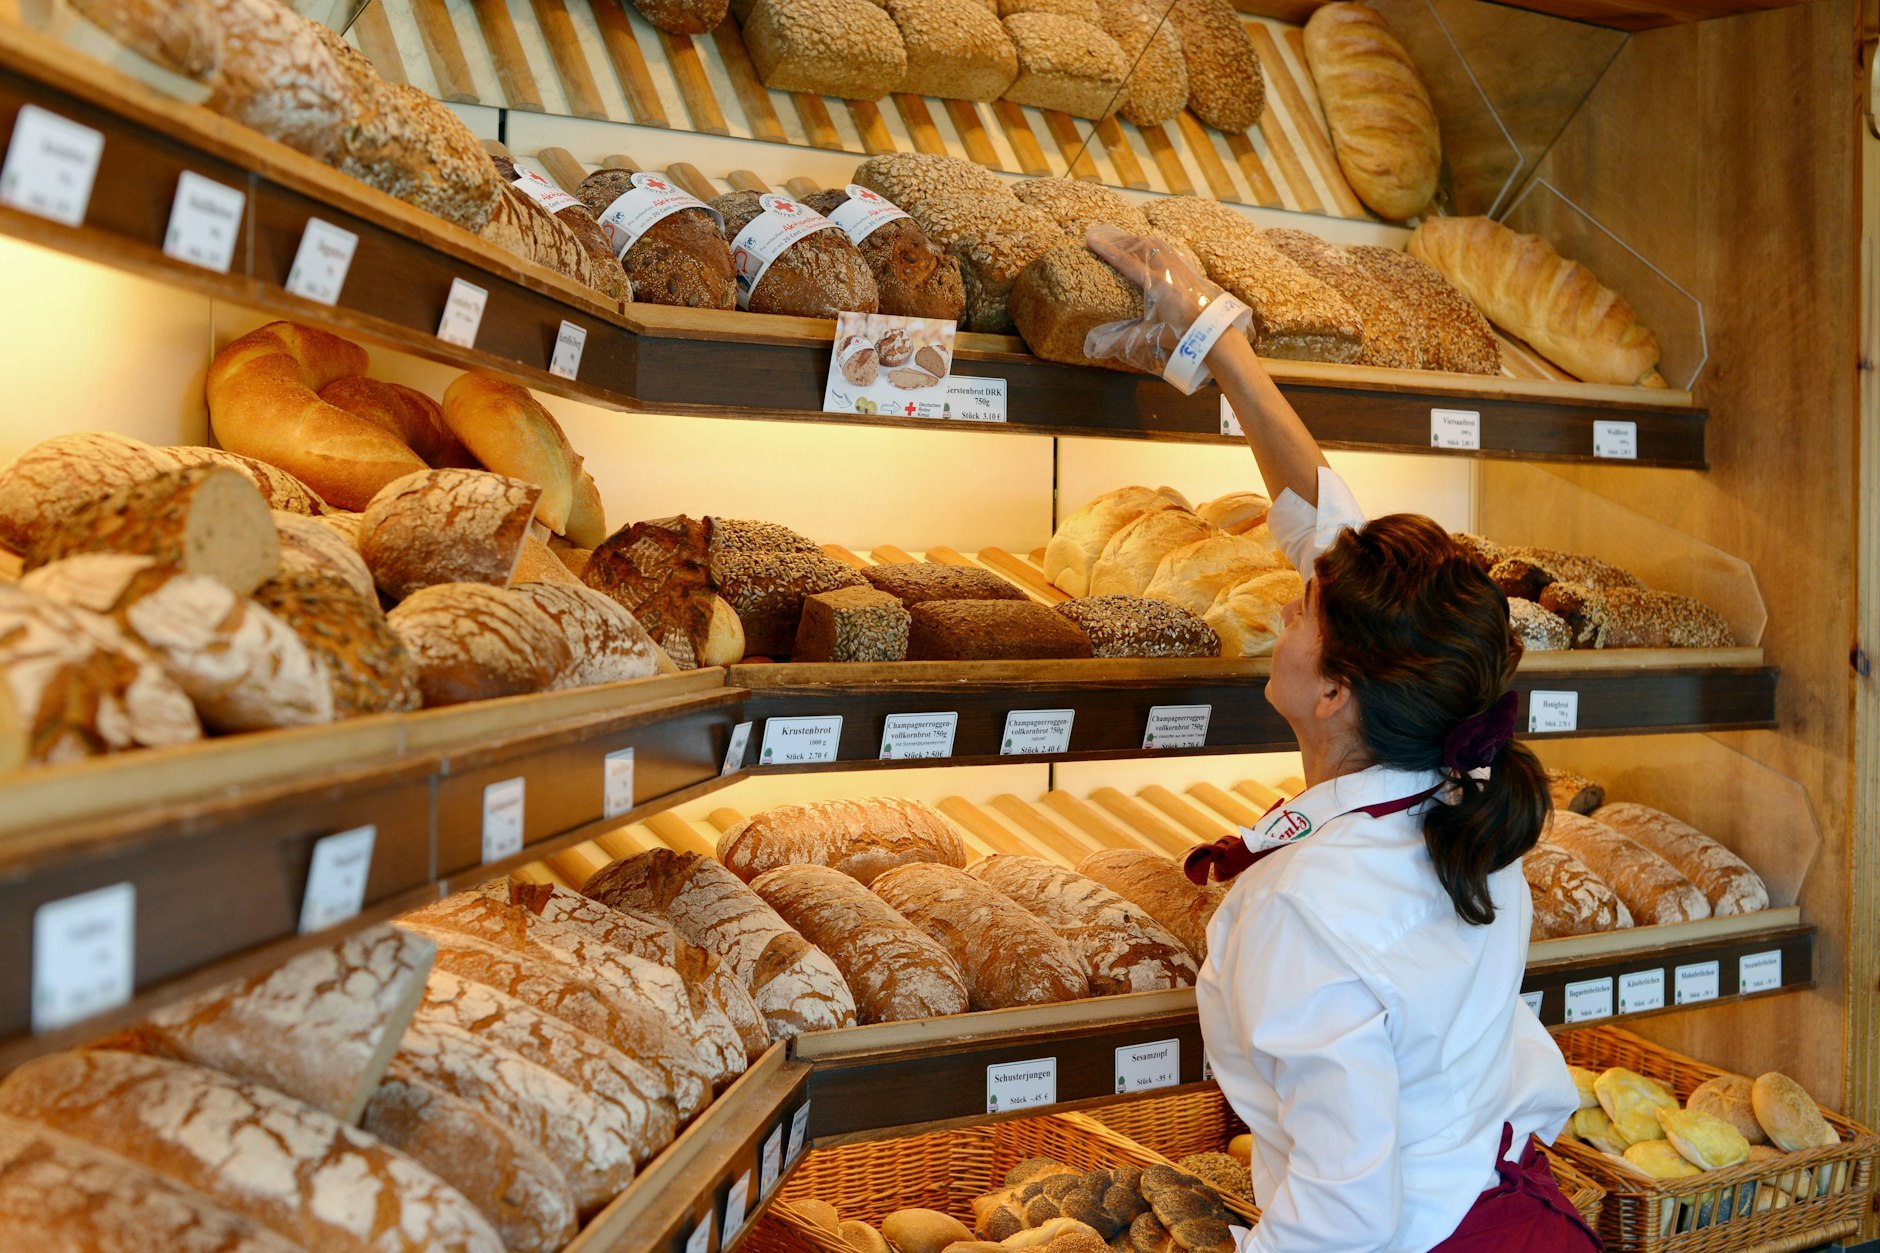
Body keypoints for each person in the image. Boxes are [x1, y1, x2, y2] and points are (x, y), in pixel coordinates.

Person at [1083, 224, 1598, 1253]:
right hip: (1516, 1214)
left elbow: (1338, 1225)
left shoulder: (1303, 910)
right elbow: (1324, 527)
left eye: (1298, 612)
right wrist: (1215, 339)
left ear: (1336, 692)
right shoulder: (1458, 801)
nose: (1280, 608)